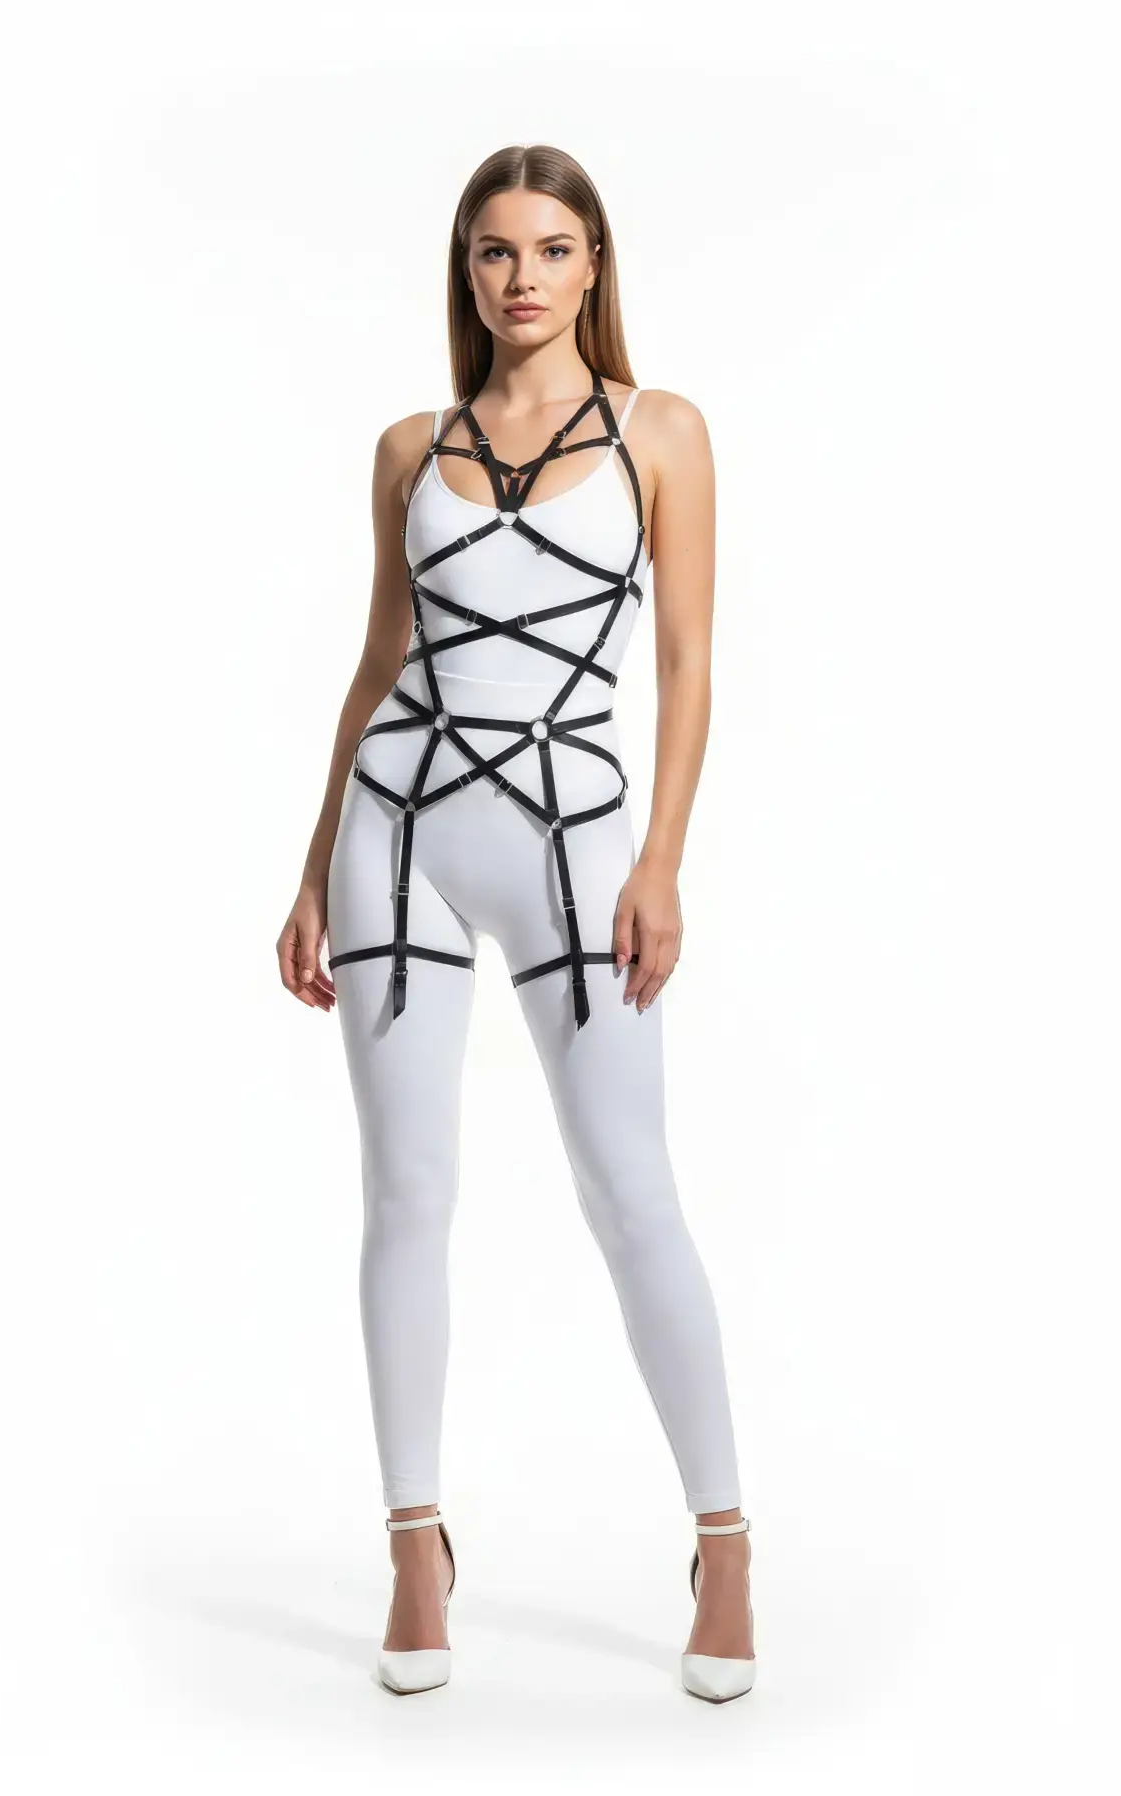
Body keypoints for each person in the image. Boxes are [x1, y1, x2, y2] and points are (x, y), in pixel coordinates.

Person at [276, 144, 756, 1703]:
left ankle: (725, 1540)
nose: (524, 276)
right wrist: (313, 866)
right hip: (397, 830)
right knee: (406, 1193)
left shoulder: (661, 430)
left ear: (594, 262)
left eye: (552, 247)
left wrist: (662, 860)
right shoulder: (407, 448)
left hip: (576, 841)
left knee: (632, 1190)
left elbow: (686, 661)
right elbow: (377, 662)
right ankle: (415, 1543)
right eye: (496, 250)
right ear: (466, 270)